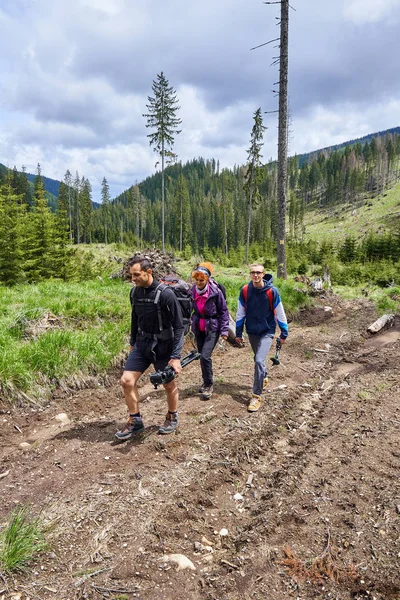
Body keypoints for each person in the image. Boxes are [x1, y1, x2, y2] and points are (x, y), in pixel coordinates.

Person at [115, 257, 185, 440]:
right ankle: (135, 421)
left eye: (137, 275)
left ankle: (172, 415)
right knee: (126, 381)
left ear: (149, 272)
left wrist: (176, 356)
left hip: (163, 346)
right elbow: (134, 319)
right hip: (142, 344)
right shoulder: (134, 293)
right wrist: (132, 343)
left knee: (168, 384)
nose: (133, 279)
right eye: (131, 275)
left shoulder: (166, 294)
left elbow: (179, 327)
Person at [235, 263, 288, 413]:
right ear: (250, 274)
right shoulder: (245, 291)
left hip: (267, 331)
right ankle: (263, 375)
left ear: (263, 274)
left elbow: (280, 312)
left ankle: (256, 396)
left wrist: (284, 333)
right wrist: (238, 333)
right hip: (251, 331)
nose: (256, 275)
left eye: (258, 272)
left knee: (259, 360)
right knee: (258, 359)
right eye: (253, 273)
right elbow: (240, 313)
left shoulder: (272, 291)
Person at [190, 262, 229, 400]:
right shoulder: (192, 291)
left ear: (207, 280)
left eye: (202, 280)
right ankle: (205, 381)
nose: (199, 283)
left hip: (213, 326)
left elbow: (224, 311)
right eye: (197, 280)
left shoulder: (215, 292)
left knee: (206, 356)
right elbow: (190, 308)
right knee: (202, 356)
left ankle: (208, 385)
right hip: (199, 326)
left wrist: (224, 331)